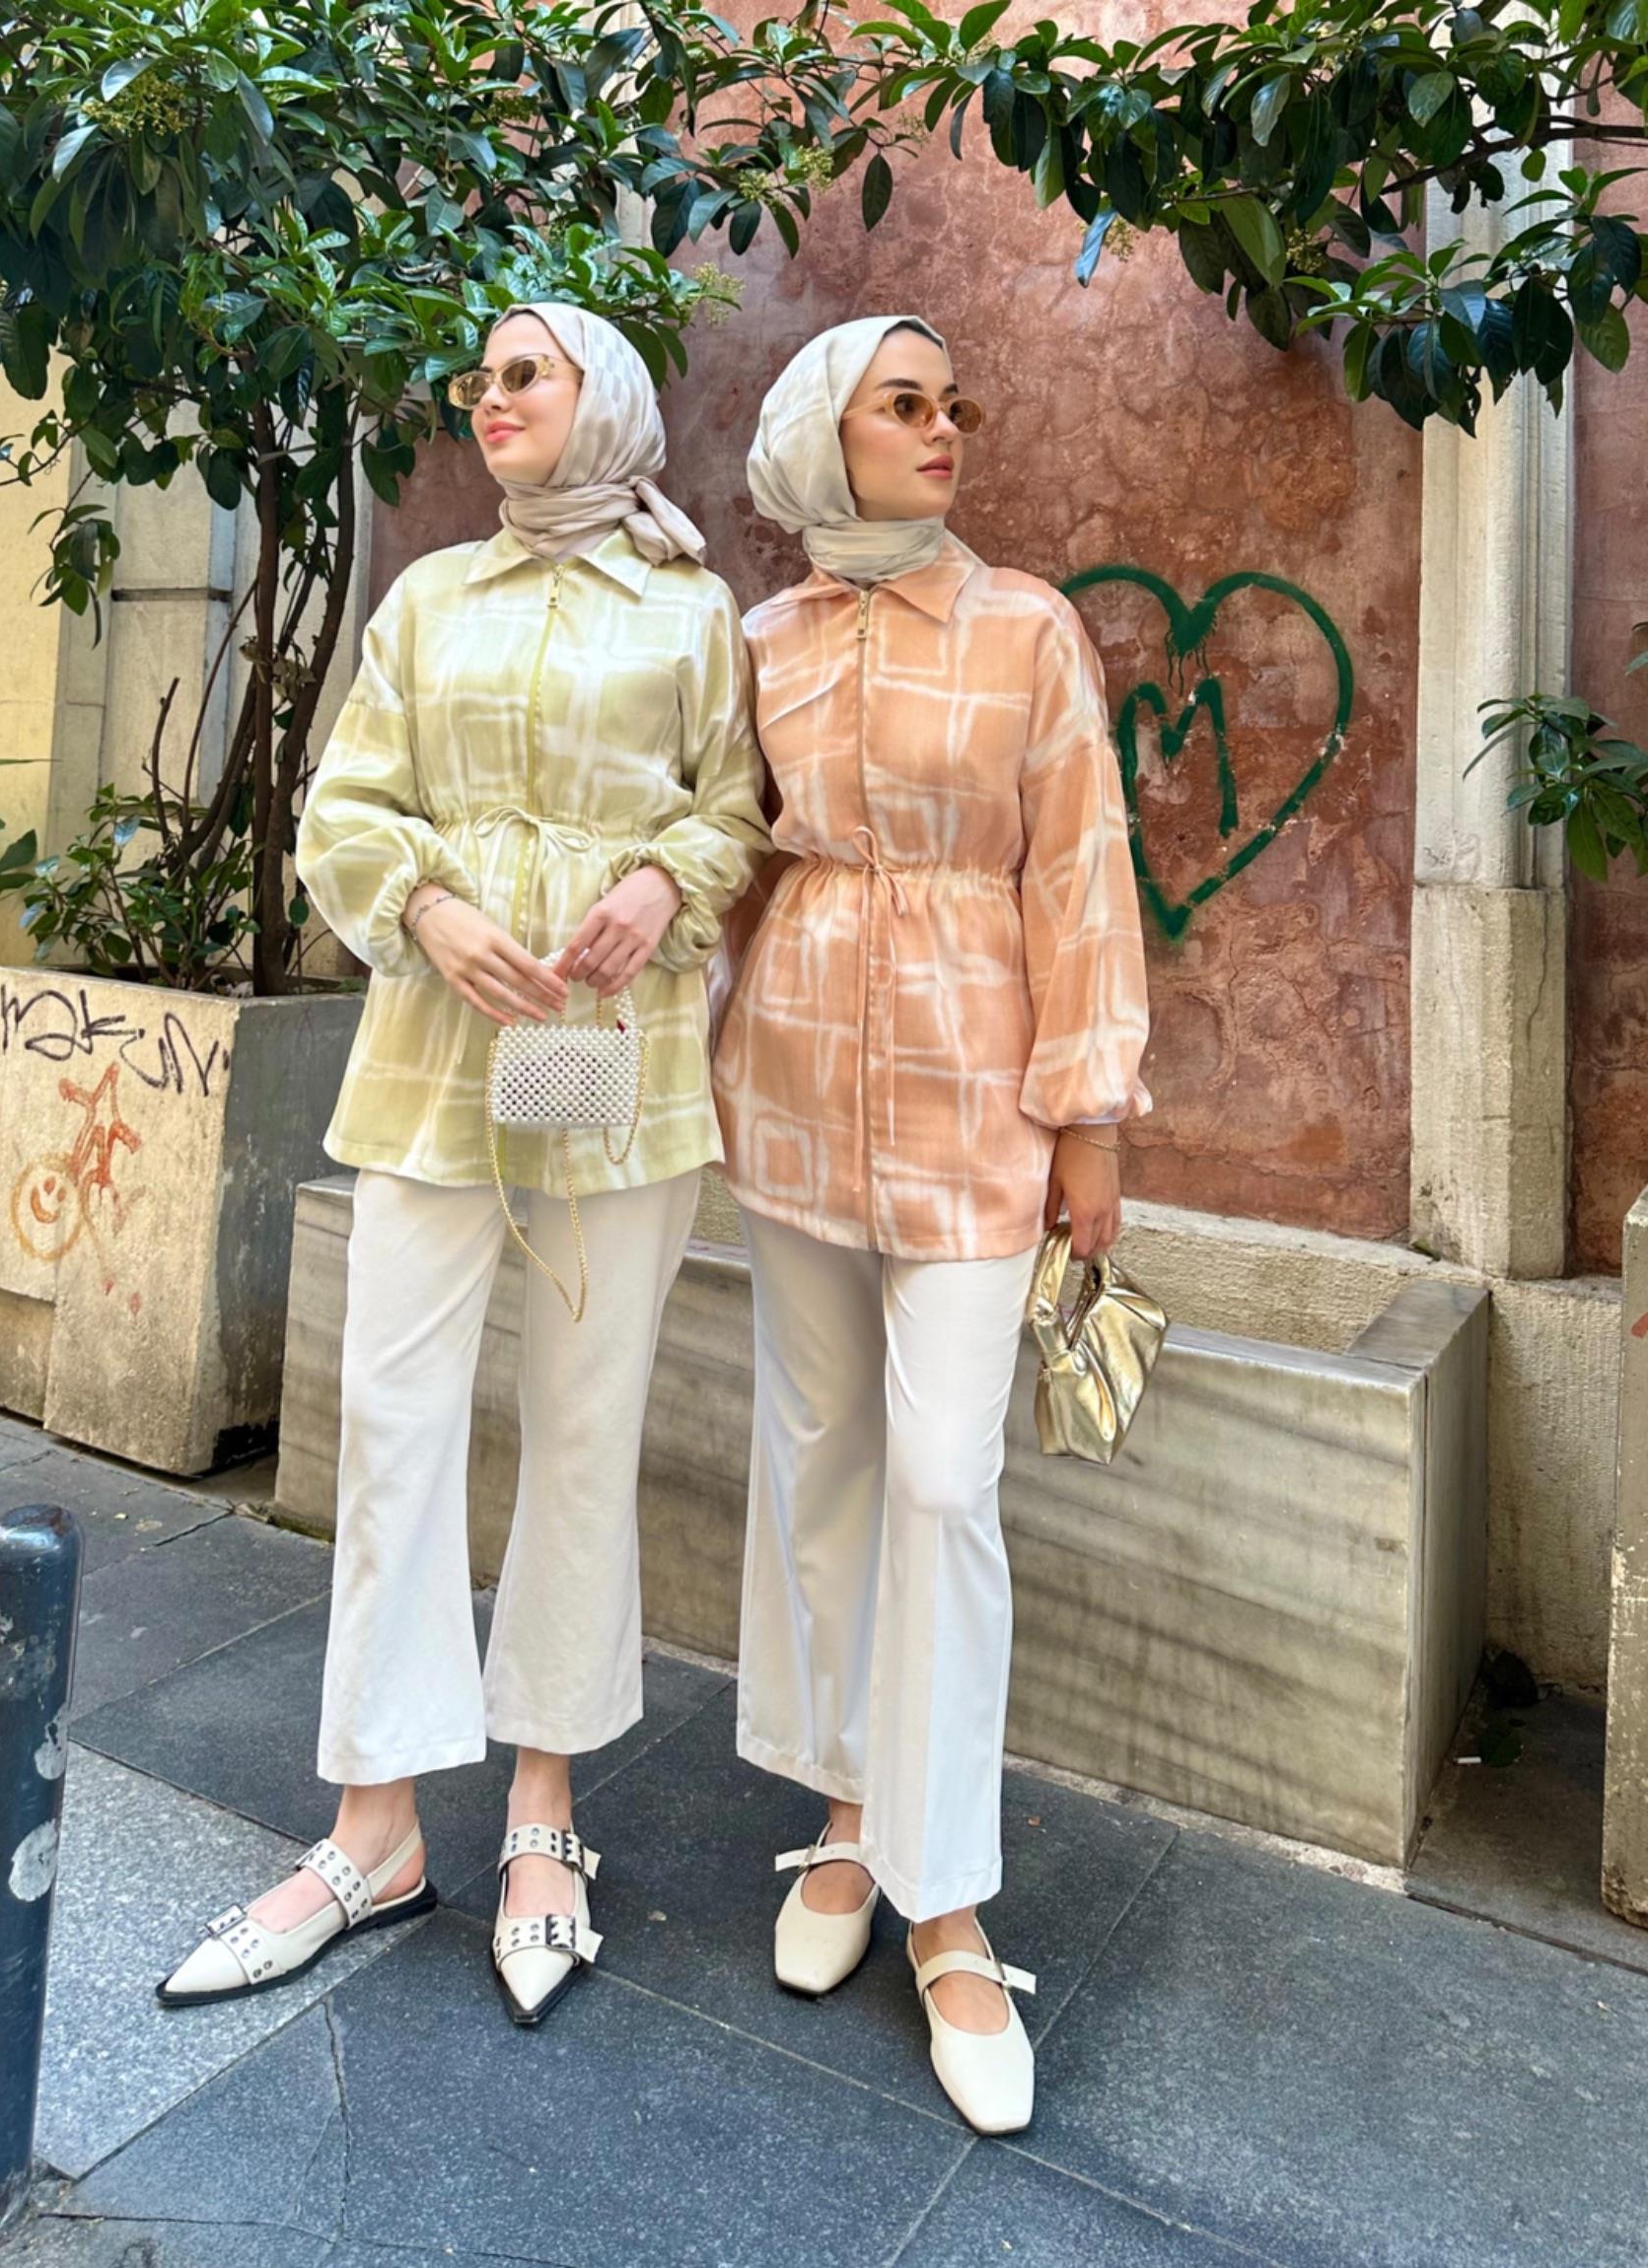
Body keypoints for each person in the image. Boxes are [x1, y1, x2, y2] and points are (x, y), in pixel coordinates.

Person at [158, 302, 769, 2027]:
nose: (487, 398)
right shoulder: (428, 597)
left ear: (603, 399)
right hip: (435, 1050)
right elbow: (345, 805)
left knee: (584, 1427)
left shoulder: (689, 609)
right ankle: (375, 1825)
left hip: (609, 1052)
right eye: (479, 379)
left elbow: (735, 807)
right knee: (393, 1421)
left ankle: (543, 1810)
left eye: (525, 374)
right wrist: (423, 907)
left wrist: (659, 881)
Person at [713, 315, 1152, 2132]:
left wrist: (1092, 1119)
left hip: (982, 1108)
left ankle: (948, 1900)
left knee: (945, 1485)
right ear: (825, 433)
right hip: (793, 1091)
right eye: (904, 404)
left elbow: (1082, 868)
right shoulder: (762, 643)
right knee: (820, 1457)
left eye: (953, 403)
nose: (944, 427)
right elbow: (720, 864)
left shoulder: (1028, 627)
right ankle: (847, 1812)